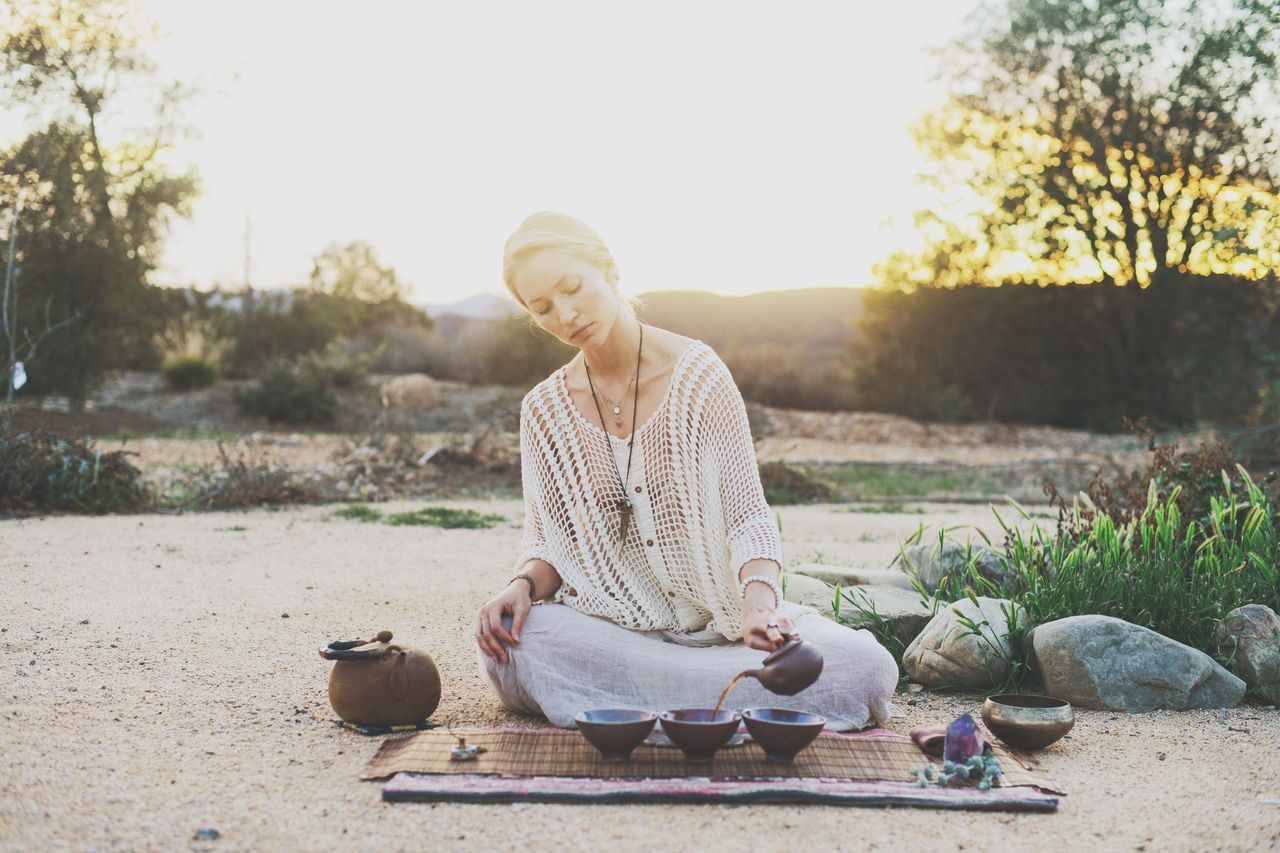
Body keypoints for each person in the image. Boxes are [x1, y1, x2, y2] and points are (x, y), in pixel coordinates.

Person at [475, 211, 897, 729]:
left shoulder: (698, 377)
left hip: (723, 630)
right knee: (517, 645)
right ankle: (723, 705)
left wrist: (757, 608)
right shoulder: (542, 410)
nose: (565, 314)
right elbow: (549, 548)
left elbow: (748, 516)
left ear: (607, 269)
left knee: (867, 667)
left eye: (572, 288)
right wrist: (517, 588)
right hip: (610, 631)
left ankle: (641, 706)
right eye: (542, 308)